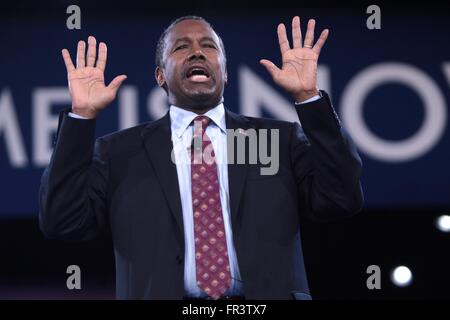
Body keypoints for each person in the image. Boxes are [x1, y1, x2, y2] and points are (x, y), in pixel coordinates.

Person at [39, 15, 363, 300]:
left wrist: (308, 99)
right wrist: (81, 117)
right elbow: (62, 220)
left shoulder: (275, 141)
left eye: (209, 46)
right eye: (181, 47)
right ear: (160, 76)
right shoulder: (119, 152)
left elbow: (342, 197)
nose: (197, 51)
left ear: (225, 72)